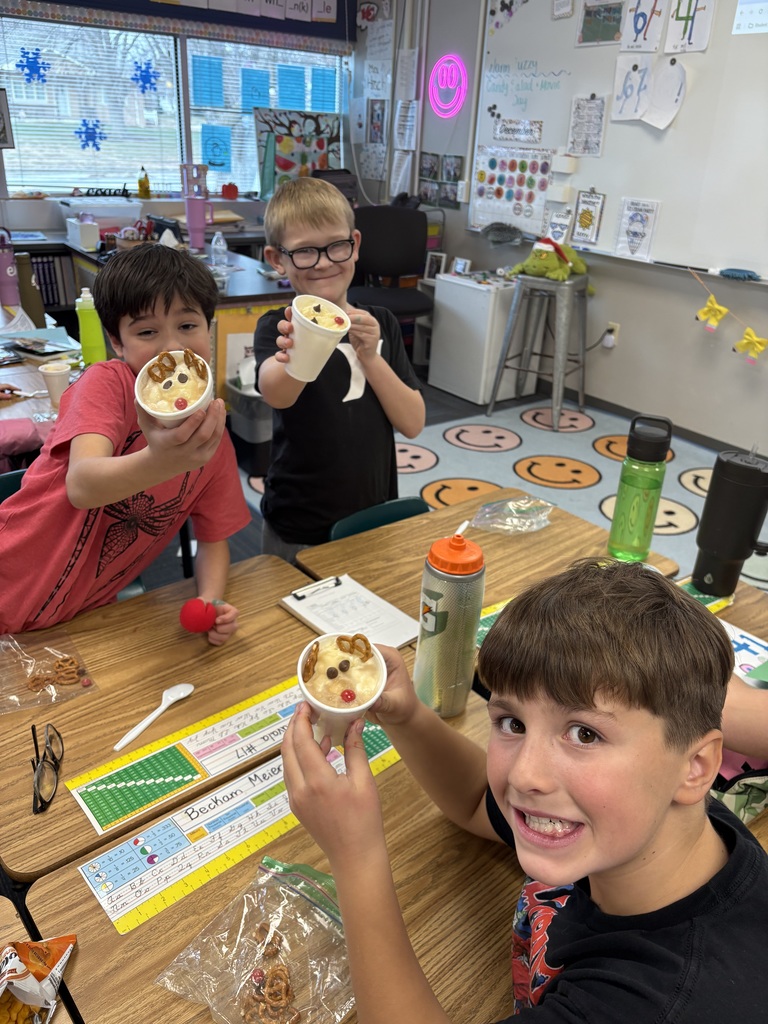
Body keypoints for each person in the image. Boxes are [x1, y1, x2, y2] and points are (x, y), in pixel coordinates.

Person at [283, 558, 768, 1023]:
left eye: (585, 734)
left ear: (695, 767)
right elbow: (477, 802)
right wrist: (407, 717)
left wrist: (357, 857)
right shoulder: (658, 823)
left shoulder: (659, 1002)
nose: (523, 776)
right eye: (512, 722)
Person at [0, 244, 250, 641]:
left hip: (81, 616)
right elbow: (83, 485)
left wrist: (211, 601)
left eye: (187, 326)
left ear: (209, 327)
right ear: (118, 342)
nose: (171, 348)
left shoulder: (211, 440)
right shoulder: (106, 385)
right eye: (147, 332)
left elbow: (213, 538)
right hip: (10, 578)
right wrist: (162, 461)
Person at [253, 177, 425, 564]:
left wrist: (370, 355)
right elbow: (277, 393)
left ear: (356, 245)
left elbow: (413, 423)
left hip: (372, 514)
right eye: (304, 252)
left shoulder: (380, 323)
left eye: (336, 246)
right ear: (277, 259)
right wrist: (303, 346)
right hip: (298, 522)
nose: (325, 262)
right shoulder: (277, 326)